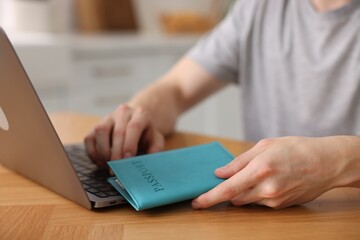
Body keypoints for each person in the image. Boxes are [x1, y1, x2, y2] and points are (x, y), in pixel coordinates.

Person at [84, 0, 360, 209]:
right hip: (259, 216)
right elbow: (176, 88)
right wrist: (138, 115)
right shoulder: (259, 7)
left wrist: (334, 161)